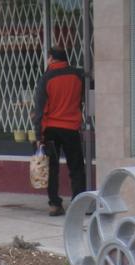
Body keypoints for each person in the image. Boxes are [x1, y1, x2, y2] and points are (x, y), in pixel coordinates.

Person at [33, 46, 86, 217]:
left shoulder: (46, 78)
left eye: (48, 58)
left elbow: (40, 110)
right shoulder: (78, 75)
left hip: (51, 130)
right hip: (71, 128)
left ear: (52, 59)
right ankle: (79, 203)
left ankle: (55, 204)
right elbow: (81, 100)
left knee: (52, 168)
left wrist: (38, 136)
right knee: (76, 167)